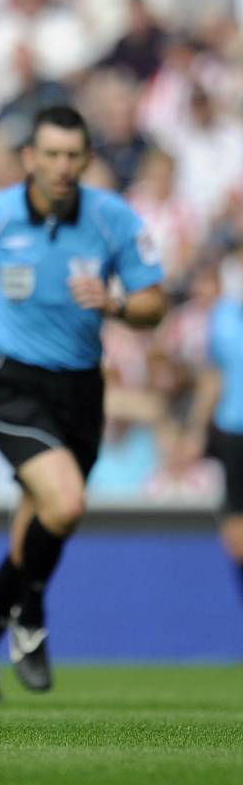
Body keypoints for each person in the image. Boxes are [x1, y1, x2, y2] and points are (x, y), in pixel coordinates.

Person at [0, 106, 166, 701]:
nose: (61, 167)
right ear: (30, 157)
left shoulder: (113, 220)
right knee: (68, 503)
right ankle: (30, 619)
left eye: (72, 156)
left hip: (82, 389)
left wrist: (114, 304)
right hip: (12, 384)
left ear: (86, 160)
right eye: (50, 154)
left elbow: (153, 304)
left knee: (40, 524)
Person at [185, 246, 243, 603]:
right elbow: (213, 378)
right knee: (235, 530)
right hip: (233, 434)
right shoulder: (222, 318)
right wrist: (195, 429)